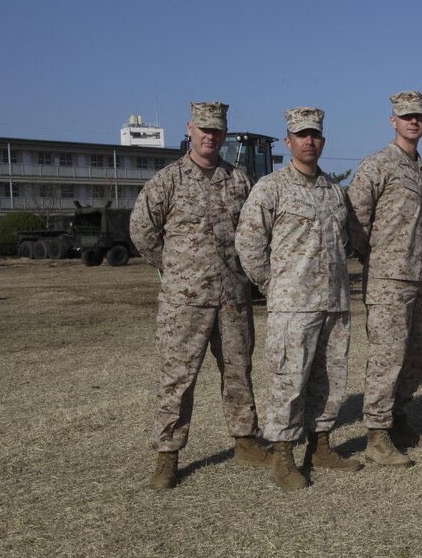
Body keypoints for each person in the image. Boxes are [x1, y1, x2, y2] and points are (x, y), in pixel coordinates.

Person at [130, 101, 271, 490]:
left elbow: (253, 234)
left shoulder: (239, 182)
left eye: (217, 130)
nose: (210, 136)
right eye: (204, 129)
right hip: (184, 301)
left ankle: (245, 441)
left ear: (224, 134)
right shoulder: (168, 180)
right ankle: (167, 455)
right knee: (178, 379)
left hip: (232, 298)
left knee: (239, 371)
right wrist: (175, 268)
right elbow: (142, 231)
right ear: (190, 129)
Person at [235, 107, 361, 491]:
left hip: (335, 302)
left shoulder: (335, 192)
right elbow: (248, 242)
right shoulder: (271, 188)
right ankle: (283, 456)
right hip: (293, 305)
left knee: (330, 380)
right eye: (302, 135)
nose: (309, 141)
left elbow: (346, 241)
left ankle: (320, 446)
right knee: (289, 382)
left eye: (315, 135)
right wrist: (273, 286)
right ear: (288, 140)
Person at [347, 91, 422, 467]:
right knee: (387, 357)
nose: (412, 122)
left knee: (415, 357)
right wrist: (377, 257)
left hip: (421, 278)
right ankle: (376, 435)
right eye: (405, 117)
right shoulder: (377, 166)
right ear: (393, 121)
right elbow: (356, 222)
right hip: (388, 279)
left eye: (418, 116)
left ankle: (399, 420)